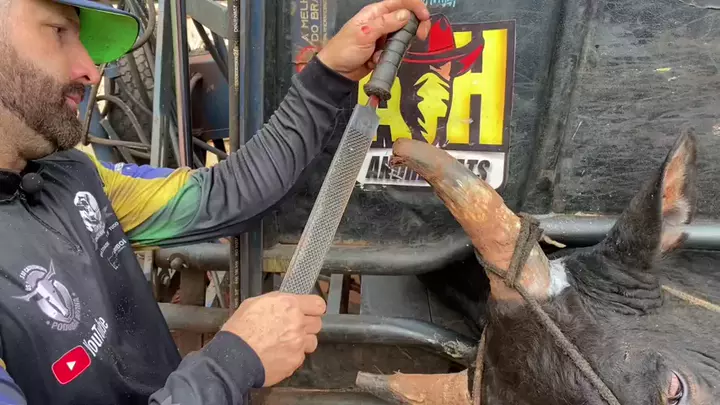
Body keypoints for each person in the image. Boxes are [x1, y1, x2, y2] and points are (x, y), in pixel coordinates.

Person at [0, 0, 431, 404]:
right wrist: (230, 364)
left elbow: (226, 193)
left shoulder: (73, 175)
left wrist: (330, 75)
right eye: (58, 32)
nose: (90, 70)